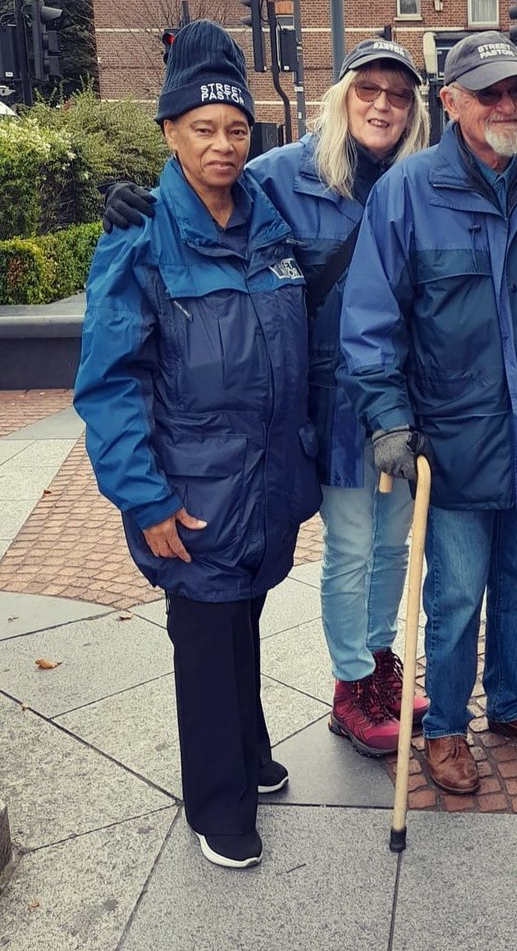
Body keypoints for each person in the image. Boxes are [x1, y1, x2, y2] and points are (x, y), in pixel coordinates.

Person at [103, 38, 434, 757]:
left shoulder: (423, 181)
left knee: (394, 548)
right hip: (333, 407)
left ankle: (380, 662)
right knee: (352, 547)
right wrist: (140, 206)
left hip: (408, 403)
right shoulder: (282, 175)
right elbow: (207, 199)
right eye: (368, 89)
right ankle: (353, 685)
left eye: (399, 94)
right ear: (342, 96)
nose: (383, 104)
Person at [75, 21, 321, 870]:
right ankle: (216, 806)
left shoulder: (272, 227)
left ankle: (246, 756)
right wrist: (143, 500)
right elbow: (109, 383)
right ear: (171, 132)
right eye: (203, 129)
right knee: (206, 641)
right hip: (192, 492)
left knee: (240, 624)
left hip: (267, 485)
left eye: (236, 129)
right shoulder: (139, 239)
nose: (222, 145)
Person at [338, 32, 517, 796]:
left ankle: (511, 702)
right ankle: (444, 726)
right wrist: (387, 417)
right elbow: (371, 320)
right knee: (454, 595)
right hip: (450, 447)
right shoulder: (408, 192)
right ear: (449, 101)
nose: (507, 105)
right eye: (488, 93)